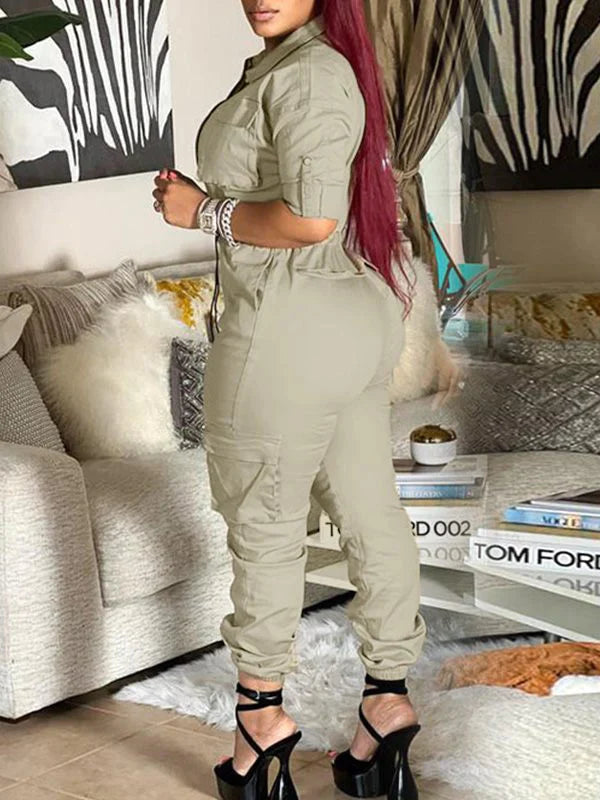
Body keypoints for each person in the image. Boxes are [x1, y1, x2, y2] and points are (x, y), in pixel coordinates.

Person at [152, 1, 427, 798]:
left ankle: (261, 720)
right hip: (349, 320)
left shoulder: (308, 73)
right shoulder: (306, 67)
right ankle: (386, 703)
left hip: (288, 329)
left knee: (266, 530)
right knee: (371, 512)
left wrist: (200, 212)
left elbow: (311, 220)